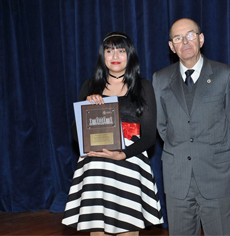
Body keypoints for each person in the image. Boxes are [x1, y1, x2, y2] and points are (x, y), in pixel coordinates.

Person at [62, 31, 163, 236]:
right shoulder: (90, 86)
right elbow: (75, 133)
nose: (115, 56)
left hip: (130, 163)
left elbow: (150, 135)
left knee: (128, 228)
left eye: (121, 51)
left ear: (130, 55)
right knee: (98, 231)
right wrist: (87, 110)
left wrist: (122, 154)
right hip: (96, 166)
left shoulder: (143, 86)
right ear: (103, 55)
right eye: (109, 51)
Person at [152, 18, 230, 235]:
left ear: (201, 39)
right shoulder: (160, 79)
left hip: (218, 178)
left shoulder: (226, 75)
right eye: (178, 38)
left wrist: (216, 154)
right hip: (178, 181)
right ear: (171, 46)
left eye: (190, 35)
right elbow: (162, 126)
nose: (185, 41)